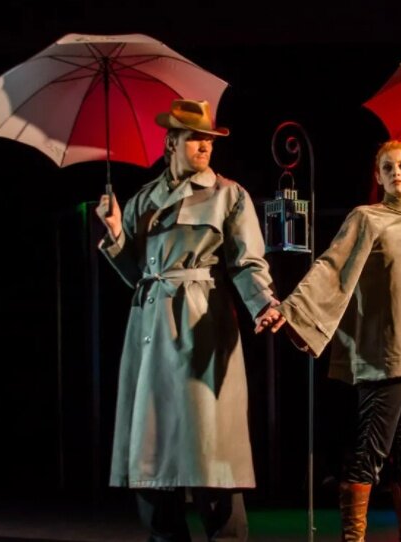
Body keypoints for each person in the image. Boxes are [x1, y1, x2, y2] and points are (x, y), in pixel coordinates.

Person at [255, 140, 401, 542]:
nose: (396, 172)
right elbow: (331, 266)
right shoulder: (366, 218)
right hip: (387, 355)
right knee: (370, 453)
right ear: (378, 177)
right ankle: (353, 537)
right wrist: (292, 308)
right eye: (388, 167)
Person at [95, 99, 283, 542]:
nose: (204, 146)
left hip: (202, 324)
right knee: (152, 455)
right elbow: (137, 274)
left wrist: (264, 304)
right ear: (171, 143)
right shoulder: (143, 199)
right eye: (195, 138)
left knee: (210, 451)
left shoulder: (228, 195)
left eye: (209, 140)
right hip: (150, 329)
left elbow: (247, 262)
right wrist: (116, 232)